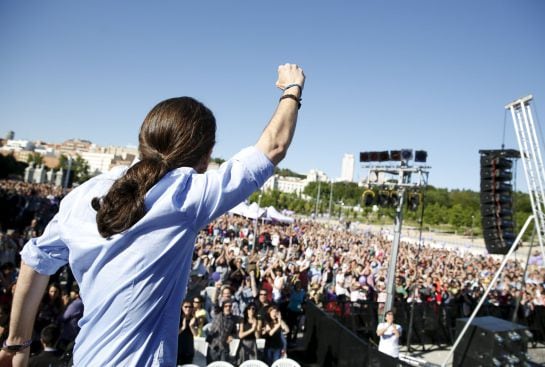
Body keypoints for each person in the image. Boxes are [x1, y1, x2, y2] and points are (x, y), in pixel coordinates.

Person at [0, 63, 305, 366]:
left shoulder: (85, 193)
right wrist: (293, 88)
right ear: (206, 155)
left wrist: (17, 342)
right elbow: (274, 146)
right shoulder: (186, 196)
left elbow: (35, 260)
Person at [177, 300, 196, 365]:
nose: (188, 308)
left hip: (188, 349)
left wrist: (191, 326)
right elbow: (174, 335)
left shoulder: (193, 319)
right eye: (186, 306)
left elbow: (196, 335)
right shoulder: (177, 319)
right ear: (182, 307)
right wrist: (183, 328)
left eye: (190, 307)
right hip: (178, 349)